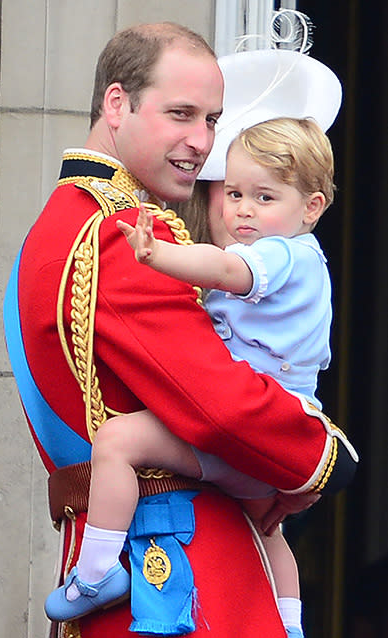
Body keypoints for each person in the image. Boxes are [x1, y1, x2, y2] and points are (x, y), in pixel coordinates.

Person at [3, 22, 358, 638]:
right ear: (117, 104)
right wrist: (325, 458)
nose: (202, 142)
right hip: (180, 571)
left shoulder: (52, 226)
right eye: (181, 114)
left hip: (116, 556)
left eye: (212, 120)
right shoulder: (124, 235)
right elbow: (219, 406)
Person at [44, 116, 333, 637]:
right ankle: (289, 622)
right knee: (269, 530)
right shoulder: (300, 259)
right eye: (235, 192)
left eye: (264, 198)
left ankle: (96, 572)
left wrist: (158, 254)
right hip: (268, 440)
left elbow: (224, 271)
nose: (243, 209)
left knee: (117, 440)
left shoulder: (283, 255)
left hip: (252, 430)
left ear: (311, 208)